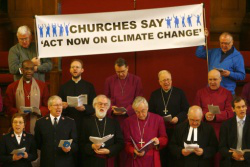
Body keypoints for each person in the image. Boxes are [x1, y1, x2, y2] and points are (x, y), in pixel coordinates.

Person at [148, 70, 189, 166]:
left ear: (171, 80)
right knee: (163, 156)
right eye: (163, 80)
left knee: (175, 155)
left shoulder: (179, 93)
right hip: (160, 131)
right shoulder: (155, 94)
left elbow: (186, 110)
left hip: (177, 129)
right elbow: (150, 112)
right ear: (159, 82)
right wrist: (159, 120)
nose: (166, 82)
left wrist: (178, 118)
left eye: (168, 79)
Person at [4, 60, 49, 134]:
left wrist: (39, 111)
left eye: (31, 69)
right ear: (22, 70)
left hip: (37, 121)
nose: (29, 71)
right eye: (26, 69)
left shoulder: (42, 86)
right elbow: (8, 107)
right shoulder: (12, 87)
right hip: (19, 123)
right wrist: (18, 112)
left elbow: (47, 105)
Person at [195, 28, 245, 95]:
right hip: (211, 91)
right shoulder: (214, 52)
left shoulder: (238, 56)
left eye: (226, 43)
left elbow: (242, 76)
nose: (224, 45)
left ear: (232, 42)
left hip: (227, 93)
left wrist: (229, 74)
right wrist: (203, 38)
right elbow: (199, 53)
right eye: (222, 43)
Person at [80, 95, 124, 167]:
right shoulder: (86, 122)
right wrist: (92, 146)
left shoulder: (114, 123)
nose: (102, 106)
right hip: (91, 162)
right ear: (94, 105)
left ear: (108, 107)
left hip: (109, 161)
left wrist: (109, 150)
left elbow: (120, 143)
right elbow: (81, 143)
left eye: (105, 104)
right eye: (100, 104)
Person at [123, 96, 168, 167]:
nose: (140, 114)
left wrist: (158, 140)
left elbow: (164, 138)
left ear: (147, 108)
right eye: (137, 112)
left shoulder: (158, 119)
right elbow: (126, 142)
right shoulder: (128, 121)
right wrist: (133, 150)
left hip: (152, 158)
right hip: (135, 159)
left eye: (143, 111)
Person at [34, 95, 78, 167]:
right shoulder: (40, 122)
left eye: (60, 105)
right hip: (47, 162)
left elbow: (75, 144)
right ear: (49, 107)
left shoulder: (70, 122)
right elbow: (38, 143)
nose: (59, 107)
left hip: (65, 162)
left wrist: (69, 148)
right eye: (56, 105)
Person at [58, 59, 96, 134]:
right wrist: (62, 106)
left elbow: (94, 106)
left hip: (85, 121)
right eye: (73, 67)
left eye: (77, 67)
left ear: (82, 70)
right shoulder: (64, 87)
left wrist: (85, 108)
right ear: (70, 70)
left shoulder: (89, 86)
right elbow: (58, 106)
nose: (75, 69)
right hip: (68, 122)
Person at [194, 69, 234, 138]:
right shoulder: (200, 93)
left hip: (221, 128)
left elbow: (230, 113)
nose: (212, 82)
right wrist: (205, 115)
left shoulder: (227, 93)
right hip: (203, 127)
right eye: (210, 79)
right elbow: (195, 111)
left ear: (220, 79)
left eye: (215, 79)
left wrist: (215, 116)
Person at [104, 58, 143, 128]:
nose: (121, 74)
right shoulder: (109, 81)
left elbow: (139, 100)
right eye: (118, 72)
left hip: (131, 116)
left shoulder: (136, 80)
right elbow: (106, 99)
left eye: (123, 71)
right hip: (114, 117)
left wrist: (127, 110)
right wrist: (112, 109)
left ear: (127, 68)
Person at [219, 97, 250, 166]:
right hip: (231, 160)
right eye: (238, 107)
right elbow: (221, 147)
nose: (241, 109)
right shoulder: (226, 125)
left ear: (246, 107)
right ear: (233, 109)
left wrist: (244, 156)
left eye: (243, 106)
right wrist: (232, 154)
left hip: (248, 160)